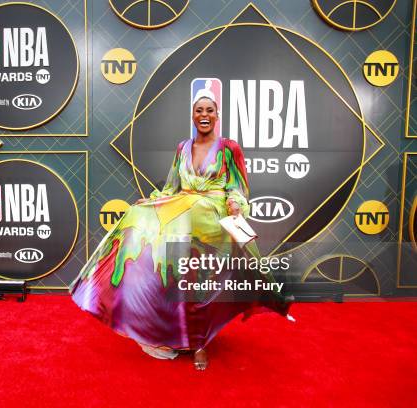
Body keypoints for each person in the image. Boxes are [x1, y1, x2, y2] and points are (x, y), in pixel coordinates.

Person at [70, 85, 291, 370]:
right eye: (199, 110)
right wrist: (150, 202)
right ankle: (169, 331)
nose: (204, 115)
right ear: (192, 115)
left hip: (211, 227)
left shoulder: (229, 148)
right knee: (174, 281)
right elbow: (172, 187)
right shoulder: (182, 148)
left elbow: (238, 188)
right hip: (183, 225)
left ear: (217, 115)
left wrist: (236, 205)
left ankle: (200, 344)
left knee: (201, 290)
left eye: (209, 110)